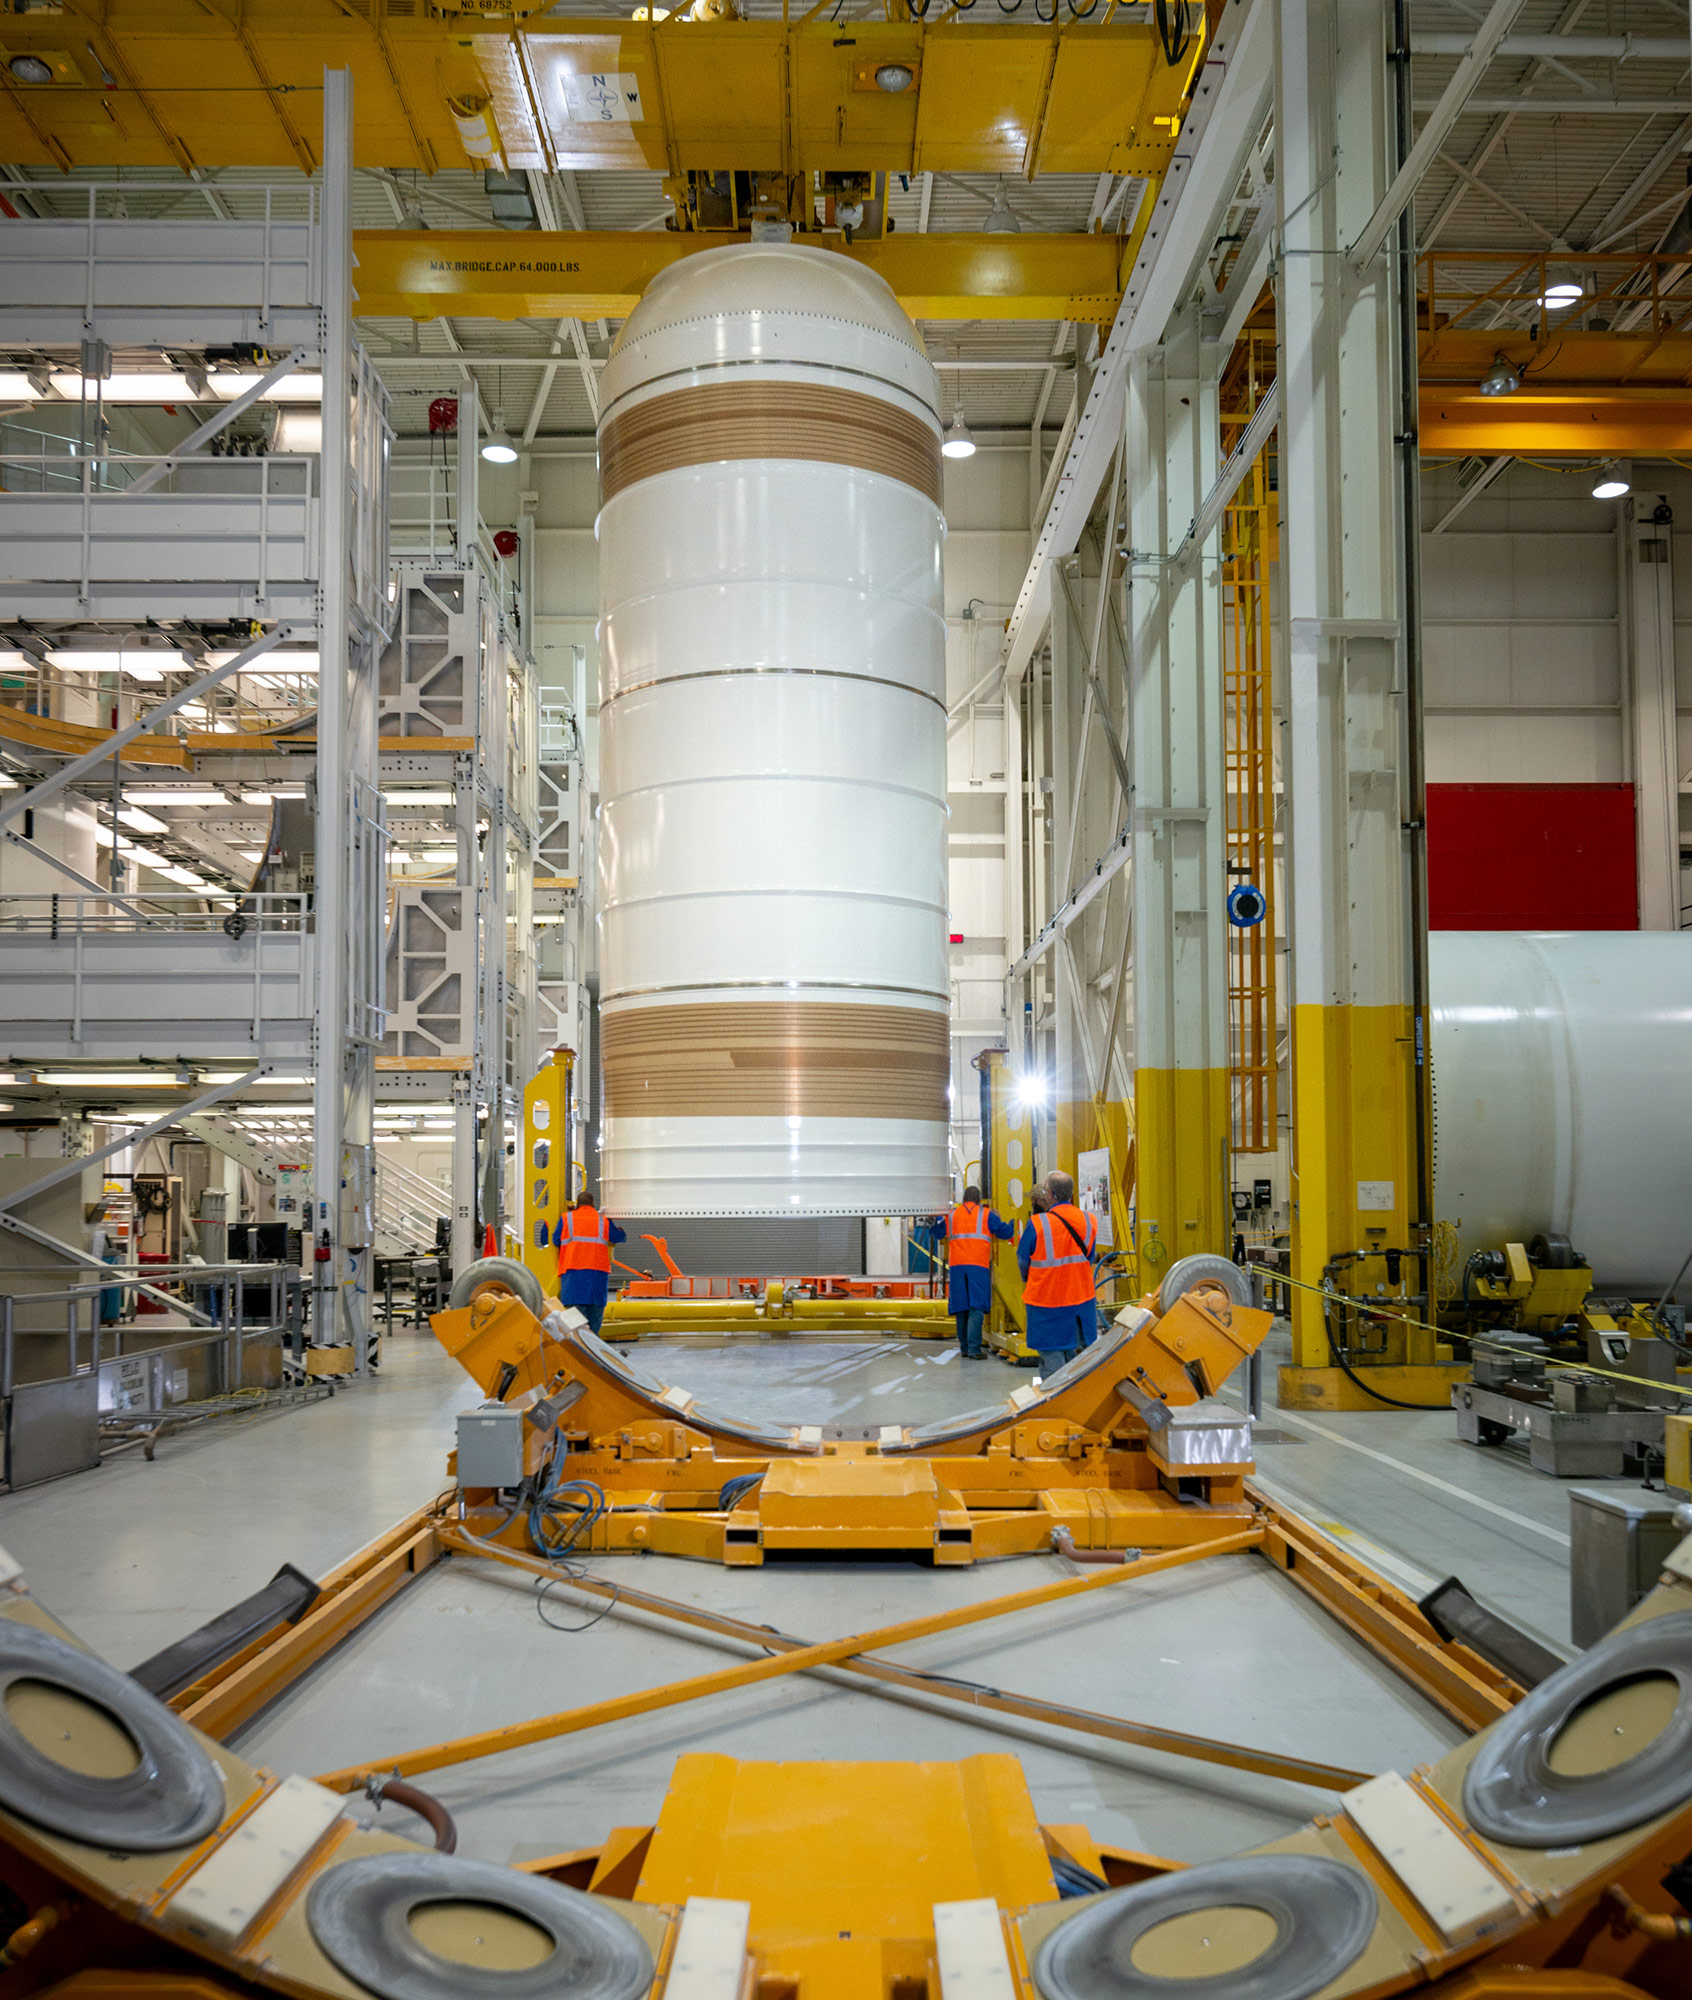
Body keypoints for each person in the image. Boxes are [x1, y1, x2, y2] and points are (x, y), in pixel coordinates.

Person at [1016, 1169, 1099, 1369]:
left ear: (1050, 1194)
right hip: (1081, 1303)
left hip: (1046, 1305)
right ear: (1070, 1194)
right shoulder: (1089, 1221)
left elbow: (1022, 1259)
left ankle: (1057, 1400)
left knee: (1052, 1364)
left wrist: (1029, 1278)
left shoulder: (1037, 1224)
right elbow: (1089, 1257)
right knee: (1079, 1365)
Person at [941, 1184, 1015, 1358]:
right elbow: (1005, 1233)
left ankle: (965, 1348)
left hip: (957, 1266)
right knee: (976, 1307)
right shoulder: (986, 1215)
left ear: (964, 1199)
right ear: (978, 1200)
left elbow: (937, 1233)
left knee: (961, 1308)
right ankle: (974, 1349)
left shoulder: (952, 1216)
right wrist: (1012, 1221)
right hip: (978, 1265)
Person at [552, 1189, 626, 1335]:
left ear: (577, 1204)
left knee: (575, 1324)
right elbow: (618, 1237)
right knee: (594, 1323)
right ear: (593, 1204)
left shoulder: (567, 1218)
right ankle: (593, 1349)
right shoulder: (603, 1220)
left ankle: (578, 1352)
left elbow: (555, 1240)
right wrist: (621, 1231)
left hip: (573, 1275)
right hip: (597, 1276)